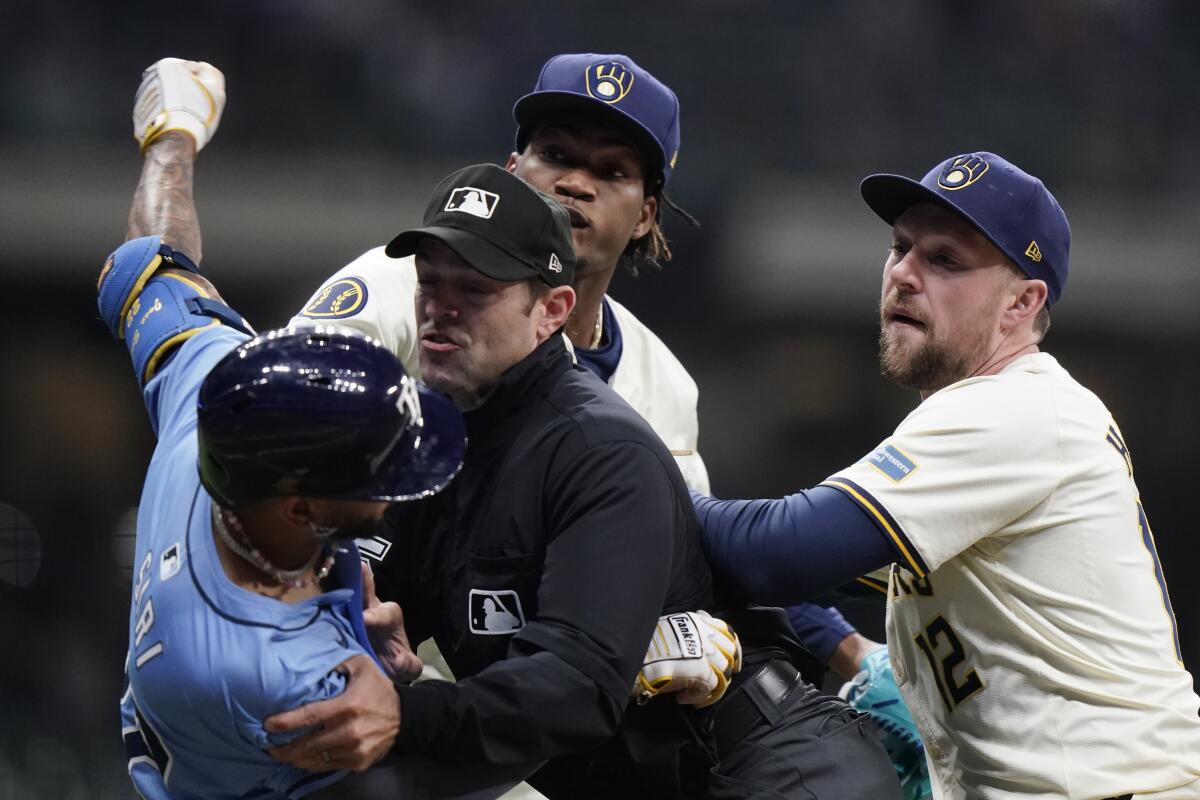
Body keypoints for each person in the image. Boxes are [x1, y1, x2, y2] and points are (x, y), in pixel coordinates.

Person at [263, 162, 903, 798]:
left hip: (773, 769)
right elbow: (377, 610)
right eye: (431, 283)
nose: (441, 309)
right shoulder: (429, 450)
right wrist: (387, 658)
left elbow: (572, 692)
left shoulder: (600, 447)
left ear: (551, 311)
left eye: (477, 291)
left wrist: (405, 713)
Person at [693, 151, 1200, 799]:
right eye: (901, 247)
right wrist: (854, 649)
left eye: (945, 260)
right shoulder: (995, 421)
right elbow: (797, 578)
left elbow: (775, 554)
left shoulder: (1017, 409)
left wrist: (641, 483)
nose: (904, 274)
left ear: (1022, 302)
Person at [99, 231, 544, 799]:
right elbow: (471, 767)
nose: (402, 478)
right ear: (301, 508)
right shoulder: (285, 674)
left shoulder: (206, 384)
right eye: (380, 472)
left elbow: (138, 270)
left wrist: (174, 146)